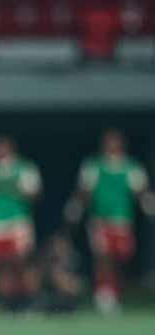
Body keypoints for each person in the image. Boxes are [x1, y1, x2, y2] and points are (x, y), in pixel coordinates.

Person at [65, 129, 155, 313]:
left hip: (122, 220)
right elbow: (84, 192)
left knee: (121, 257)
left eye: (115, 142)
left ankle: (115, 291)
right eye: (108, 142)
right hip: (100, 220)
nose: (111, 146)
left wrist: (149, 205)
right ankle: (103, 295)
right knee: (103, 257)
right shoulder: (93, 166)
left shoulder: (131, 167)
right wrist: (75, 208)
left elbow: (141, 191)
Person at [0, 136, 42, 312]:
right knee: (1, 265)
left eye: (4, 146)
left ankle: (29, 299)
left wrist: (20, 191)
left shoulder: (24, 168)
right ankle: (7, 303)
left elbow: (35, 194)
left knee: (22, 262)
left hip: (18, 222)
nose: (1, 150)